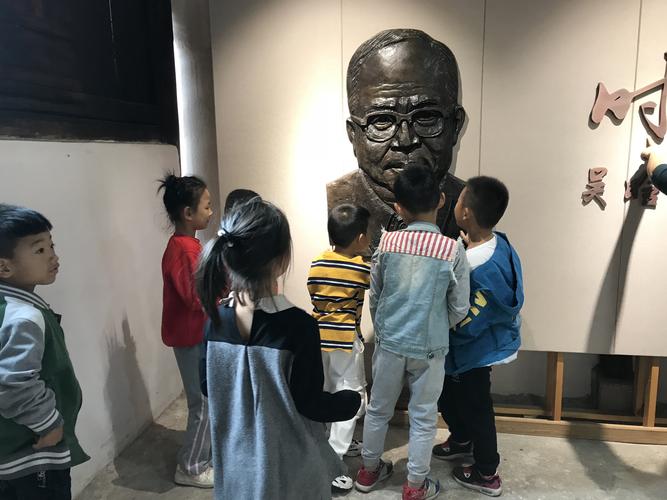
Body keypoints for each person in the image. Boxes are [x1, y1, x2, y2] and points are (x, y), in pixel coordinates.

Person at [196, 197, 361, 500]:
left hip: (235, 466)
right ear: (282, 259)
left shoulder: (214, 322)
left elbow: (208, 386)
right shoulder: (299, 327)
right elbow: (309, 403)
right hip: (288, 468)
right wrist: (350, 402)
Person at [355, 166, 470, 500]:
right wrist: (438, 325)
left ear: (398, 207)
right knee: (423, 417)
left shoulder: (387, 243)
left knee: (378, 409)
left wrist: (385, 328)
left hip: (390, 343)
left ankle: (368, 471)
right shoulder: (452, 249)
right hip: (430, 347)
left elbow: (375, 296)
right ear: (442, 200)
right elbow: (459, 306)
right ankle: (415, 486)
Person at [328, 28, 467, 251]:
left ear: (455, 125)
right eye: (382, 120)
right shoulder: (340, 201)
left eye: (425, 116)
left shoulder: (470, 207)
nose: (405, 140)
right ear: (353, 134)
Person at [432, 177, 524, 497]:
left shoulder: (475, 265)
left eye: (459, 199)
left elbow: (467, 316)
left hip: (474, 349)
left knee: (477, 407)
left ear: (466, 213)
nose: (454, 203)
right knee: (450, 397)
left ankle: (487, 471)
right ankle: (461, 439)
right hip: (480, 344)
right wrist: (466, 246)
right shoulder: (495, 244)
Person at [0, 204, 89, 500]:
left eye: (51, 245)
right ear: (4, 267)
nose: (52, 256)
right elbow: (14, 384)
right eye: (39, 250)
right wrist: (49, 425)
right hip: (33, 453)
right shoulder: (23, 317)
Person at [307, 203, 371, 491]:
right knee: (352, 397)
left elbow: (313, 290)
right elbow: (378, 282)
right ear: (360, 238)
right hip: (345, 341)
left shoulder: (318, 262)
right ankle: (333, 461)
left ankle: (325, 445)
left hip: (319, 338)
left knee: (326, 392)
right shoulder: (359, 268)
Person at [158, 174, 214, 488]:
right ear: (188, 213)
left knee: (207, 401)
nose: (211, 212)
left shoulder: (189, 245)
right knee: (202, 404)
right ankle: (190, 466)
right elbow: (195, 298)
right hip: (190, 337)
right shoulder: (184, 250)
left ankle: (203, 454)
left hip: (197, 335)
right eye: (206, 206)